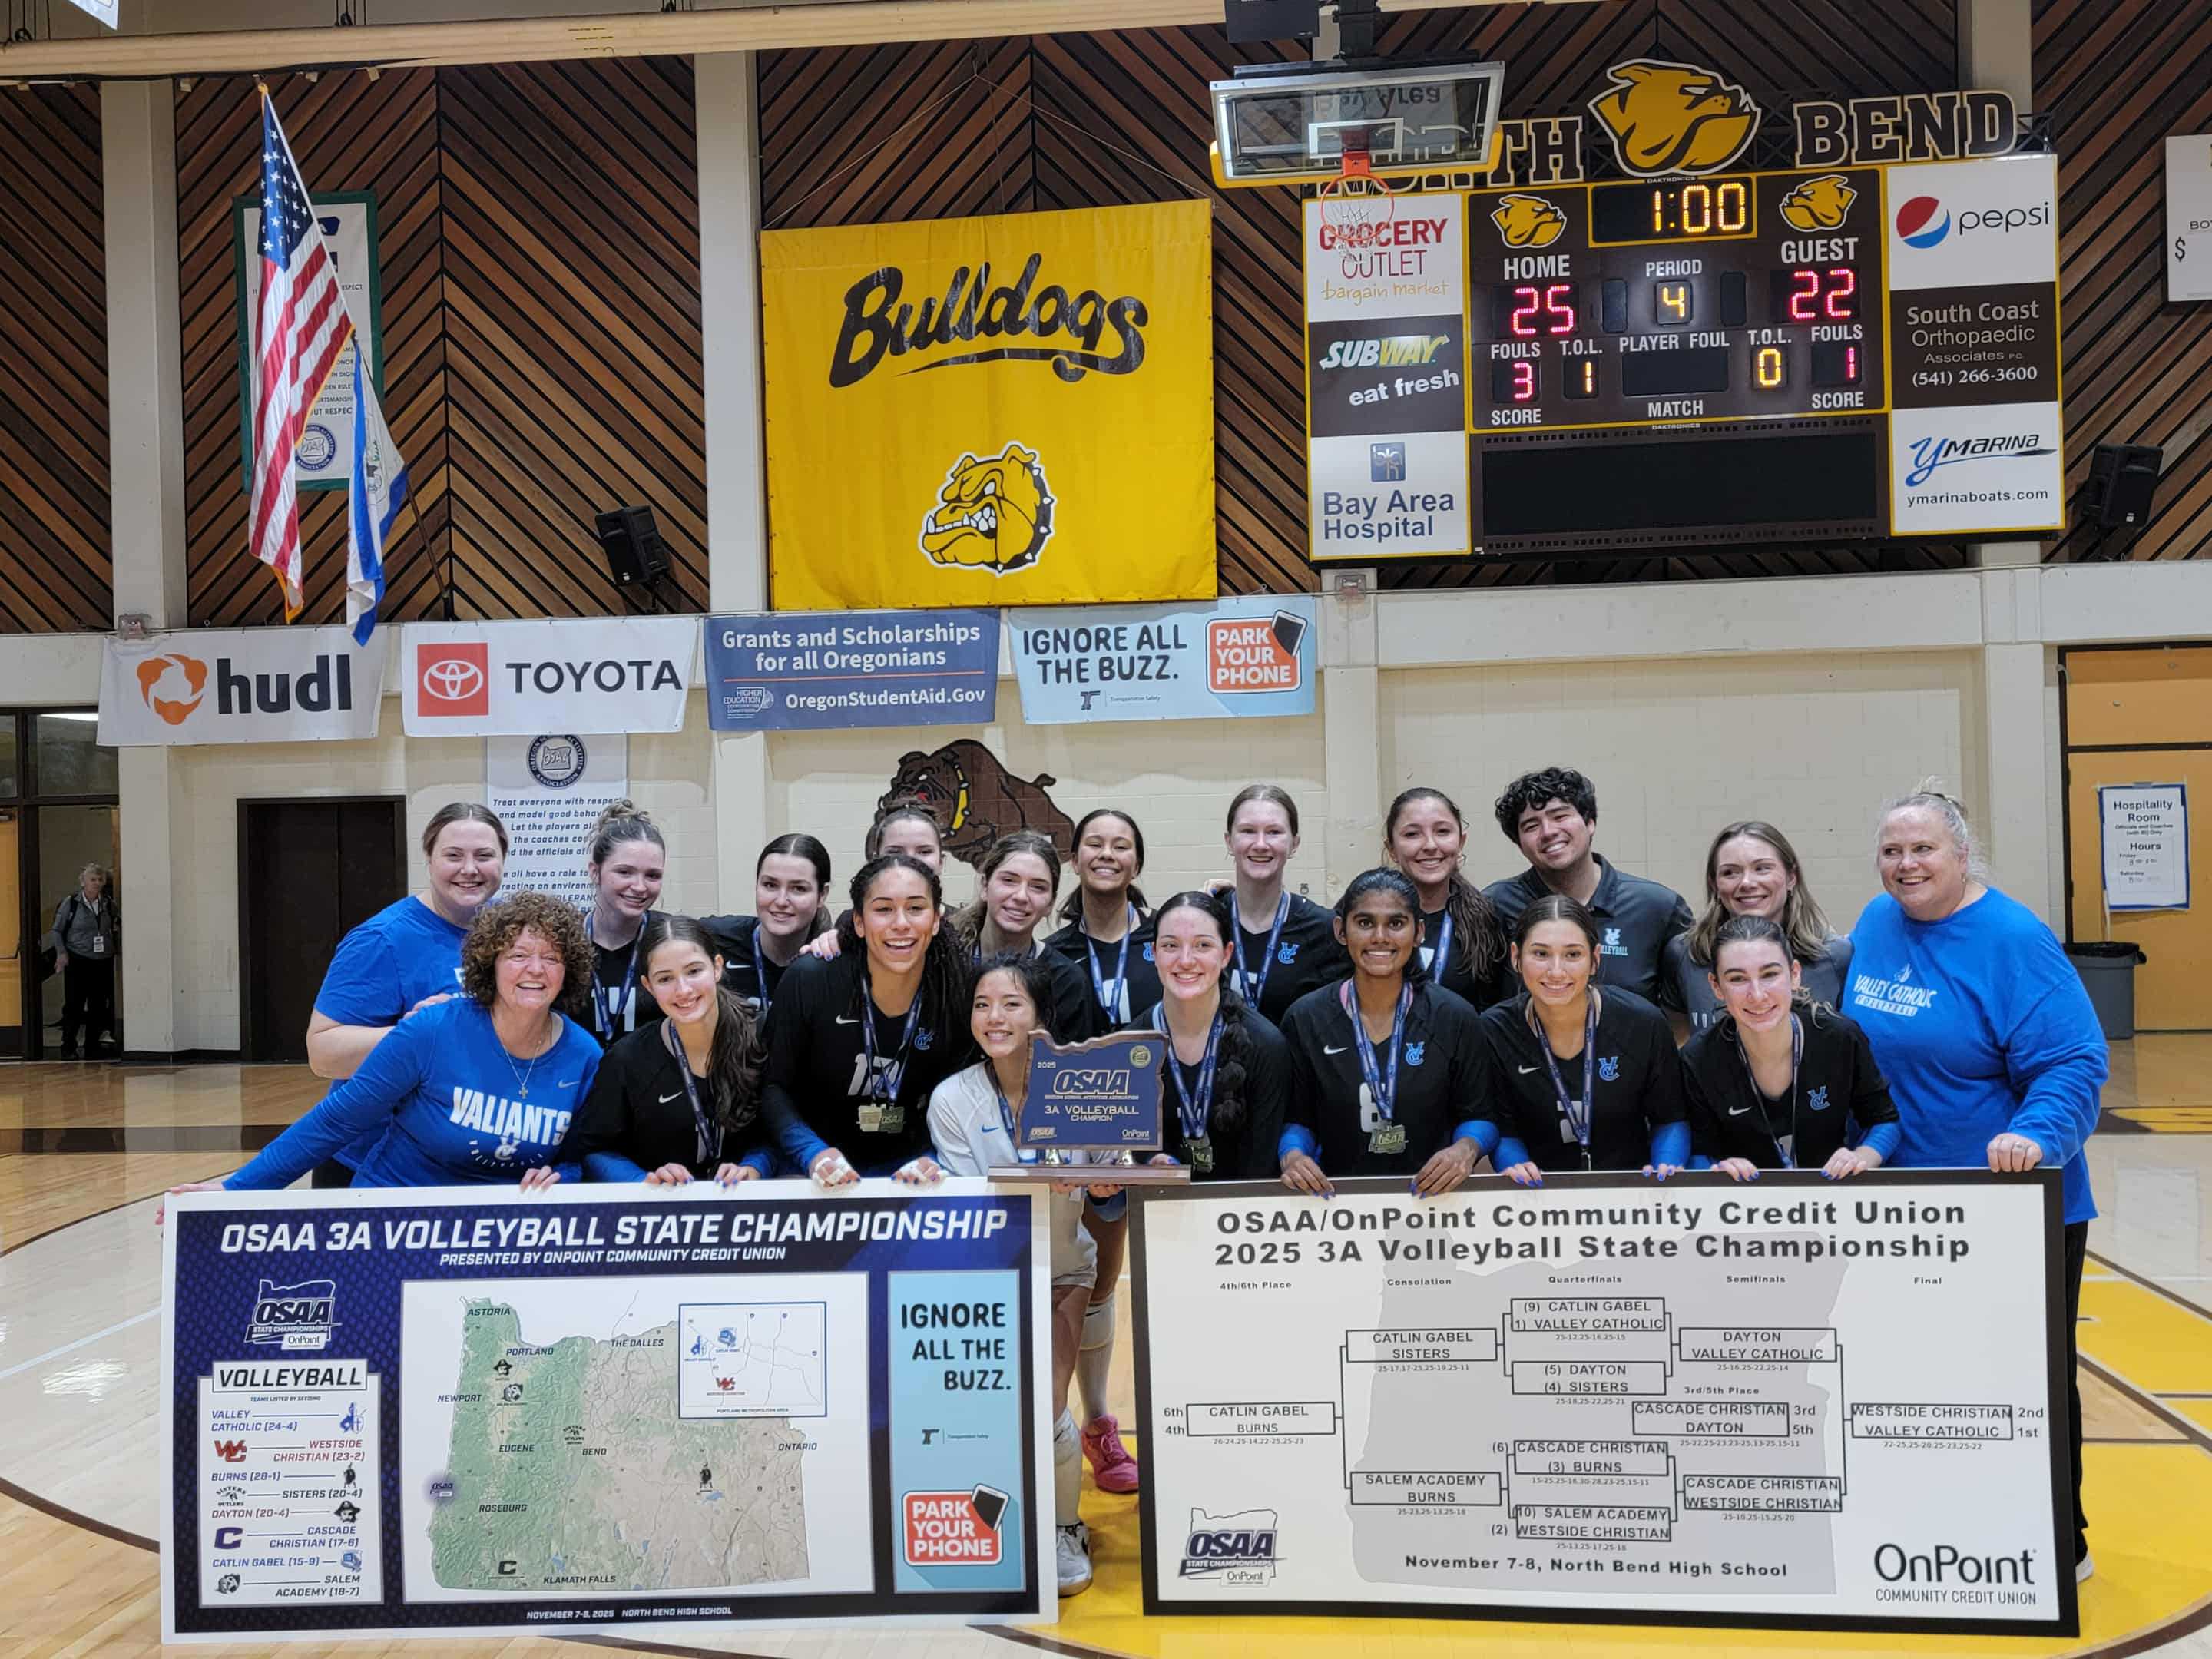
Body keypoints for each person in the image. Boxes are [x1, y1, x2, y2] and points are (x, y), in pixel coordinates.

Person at [1847, 784, 2107, 1581]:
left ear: (1963, 854)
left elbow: (2075, 1060)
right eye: (1892, 851)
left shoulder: (2014, 939)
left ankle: (2057, 1541)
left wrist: (2035, 1134)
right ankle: (1940, 1530)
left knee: (2022, 1378)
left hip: (2008, 1205)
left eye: (1923, 849)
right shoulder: (1876, 921)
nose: (1906, 864)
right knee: (1921, 1378)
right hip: (1903, 1208)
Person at [169, 892, 598, 1196]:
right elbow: (337, 1120)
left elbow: (580, 1155)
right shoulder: (432, 1030)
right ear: (490, 964)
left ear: (570, 971)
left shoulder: (583, 1056)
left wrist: (561, 1176)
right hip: (396, 1214)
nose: (535, 969)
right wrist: (236, 1188)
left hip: (496, 1231)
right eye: (518, 955)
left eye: (552, 958)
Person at [925, 952, 1108, 1596]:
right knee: (989, 1414)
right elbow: (969, 1201)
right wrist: (1038, 1178)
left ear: (1040, 1016)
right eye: (982, 1005)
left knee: (1049, 1405)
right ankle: (1005, 1522)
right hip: (987, 1277)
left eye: (1011, 1004)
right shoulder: (952, 1098)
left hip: (1062, 1270)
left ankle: (1064, 1527)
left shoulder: (1084, 1085)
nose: (994, 1017)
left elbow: (1112, 1170)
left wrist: (1106, 1177)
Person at [303, 802, 508, 1189]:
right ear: (429, 859)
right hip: (371, 1165)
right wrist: (413, 1036)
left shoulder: (511, 934)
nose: (469, 869)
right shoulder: (382, 939)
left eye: (484, 856)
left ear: (503, 860)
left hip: (462, 1161)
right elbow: (323, 1053)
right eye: (453, 856)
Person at [1277, 868, 1494, 1197]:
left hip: (1434, 1202)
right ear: (1341, 930)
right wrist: (1293, 1155)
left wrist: (1465, 1149)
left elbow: (1481, 1115)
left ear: (1418, 932)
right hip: (1336, 1205)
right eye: (1365, 923)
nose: (1380, 936)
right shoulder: (1305, 1018)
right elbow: (1297, 1119)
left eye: (1396, 923)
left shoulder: (1455, 1016)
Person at [761, 854, 972, 1183]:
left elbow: (964, 1094)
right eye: (884, 909)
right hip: (813, 1166)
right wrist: (811, 1152)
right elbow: (772, 1087)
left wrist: (934, 1158)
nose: (901, 923)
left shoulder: (956, 988)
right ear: (859, 922)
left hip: (909, 1168)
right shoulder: (811, 978)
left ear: (935, 920)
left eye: (916, 908)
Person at [1478, 895, 1688, 1184]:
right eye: (1540, 954)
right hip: (1536, 1196)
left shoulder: (1643, 1023)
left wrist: (1667, 1167)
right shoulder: (1493, 1030)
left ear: (1595, 959)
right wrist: (1514, 1165)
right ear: (1516, 957)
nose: (1556, 971)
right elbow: (1502, 1127)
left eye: (1573, 955)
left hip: (1633, 1193)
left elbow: (1671, 1118)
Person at [1681, 915, 1899, 1178]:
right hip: (1741, 1200)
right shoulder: (1699, 1057)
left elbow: (1884, 1121)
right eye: (1737, 979)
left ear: (1795, 974)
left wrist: (1862, 1157)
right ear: (1716, 987)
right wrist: (1714, 1171)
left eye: (1770, 974)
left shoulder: (1839, 1037)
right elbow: (1698, 1152)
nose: (1757, 995)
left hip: (1829, 1193)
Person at [571, 915, 773, 1184]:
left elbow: (779, 1130)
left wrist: (753, 1167)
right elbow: (595, 1151)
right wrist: (643, 1180)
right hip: (663, 1206)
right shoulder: (626, 1060)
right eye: (665, 979)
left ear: (717, 967)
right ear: (648, 986)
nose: (683, 990)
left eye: (694, 971)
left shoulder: (761, 1035)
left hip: (746, 1203)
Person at [1482, 767, 1692, 1005]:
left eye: (1560, 816)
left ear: (1590, 822)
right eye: (1531, 826)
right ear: (1520, 844)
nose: (1548, 832)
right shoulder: (1495, 907)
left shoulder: (1658, 907)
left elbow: (1686, 1007)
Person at [1140, 889, 1290, 1178]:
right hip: (1158, 1204)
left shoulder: (1266, 1046)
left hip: (1242, 1205)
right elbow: (1125, 1161)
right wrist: (1146, 1164)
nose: (1186, 960)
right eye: (1171, 945)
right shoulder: (1130, 1045)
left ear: (1226, 954)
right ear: (1154, 953)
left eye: (1203, 945)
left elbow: (1261, 1171)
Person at [1661, 820, 1854, 1036]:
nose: (1747, 883)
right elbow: (1678, 1039)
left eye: (1762, 869)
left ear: (1792, 877)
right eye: (1730, 873)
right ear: (1714, 884)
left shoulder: (1836, 956)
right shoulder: (1685, 953)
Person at [1220, 784, 1346, 1025]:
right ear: (1229, 841)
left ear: (1294, 844)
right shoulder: (1208, 922)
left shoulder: (1324, 929)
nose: (1260, 844)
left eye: (1274, 832)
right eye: (1248, 831)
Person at [947, 831, 1088, 1039]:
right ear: (985, 886)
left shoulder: (1065, 980)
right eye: (1009, 880)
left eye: (1038, 887)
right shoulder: (946, 963)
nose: (1021, 896)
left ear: (1050, 903)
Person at [1383, 787, 1508, 1008]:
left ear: (1461, 842)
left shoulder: (1488, 919)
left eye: (1442, 831)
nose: (1430, 845)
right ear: (1391, 848)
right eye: (1412, 834)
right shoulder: (1364, 918)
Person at [1044, 808, 1160, 1036]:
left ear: (1136, 867)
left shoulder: (1165, 935)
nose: (1107, 854)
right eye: (1095, 844)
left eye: (1121, 847)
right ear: (1075, 861)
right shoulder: (1052, 955)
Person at [702, 835, 833, 1018]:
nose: (781, 901)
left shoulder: (833, 961)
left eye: (798, 888)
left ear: (822, 895)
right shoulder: (715, 938)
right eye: (770, 885)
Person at [802, 806, 944, 961]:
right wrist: (825, 947)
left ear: (941, 861)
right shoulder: (850, 923)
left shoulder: (959, 924)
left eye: (924, 851)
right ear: (875, 860)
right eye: (895, 852)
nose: (910, 860)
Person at [581, 801, 667, 1046]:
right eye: (625, 872)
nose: (639, 887)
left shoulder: (671, 940)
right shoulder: (563, 942)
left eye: (652, 875)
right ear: (595, 872)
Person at [52, 863, 119, 1058]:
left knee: (98, 1005)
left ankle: (92, 1046)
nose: (97, 883)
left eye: (100, 880)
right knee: (74, 1004)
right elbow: (57, 930)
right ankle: (68, 1047)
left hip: (102, 960)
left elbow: (116, 924)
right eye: (93, 880)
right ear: (83, 882)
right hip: (78, 959)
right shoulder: (71, 903)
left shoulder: (108, 903)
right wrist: (61, 953)